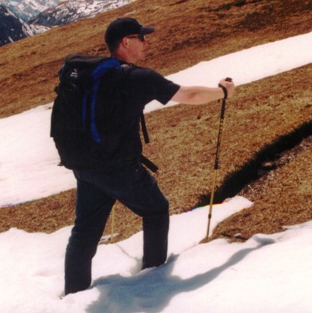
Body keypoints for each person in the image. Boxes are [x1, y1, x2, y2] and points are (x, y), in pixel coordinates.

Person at [64, 17, 235, 295]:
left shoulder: (93, 75)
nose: (147, 42)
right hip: (118, 167)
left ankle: (73, 295)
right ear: (125, 42)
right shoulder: (137, 77)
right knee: (156, 210)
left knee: (84, 232)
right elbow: (189, 95)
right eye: (141, 37)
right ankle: (153, 281)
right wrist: (222, 92)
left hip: (86, 165)